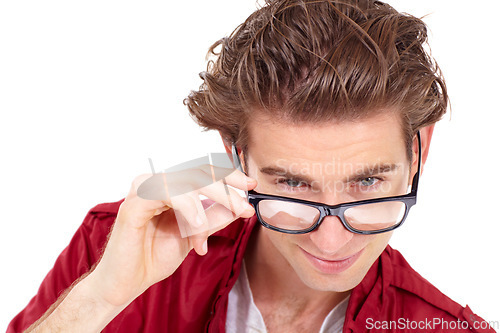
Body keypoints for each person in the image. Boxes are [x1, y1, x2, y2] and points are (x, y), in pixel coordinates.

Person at [7, 0, 496, 332]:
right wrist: (99, 299)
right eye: (292, 185)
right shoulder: (113, 244)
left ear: (419, 152)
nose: (331, 241)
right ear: (234, 153)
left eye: (368, 182)